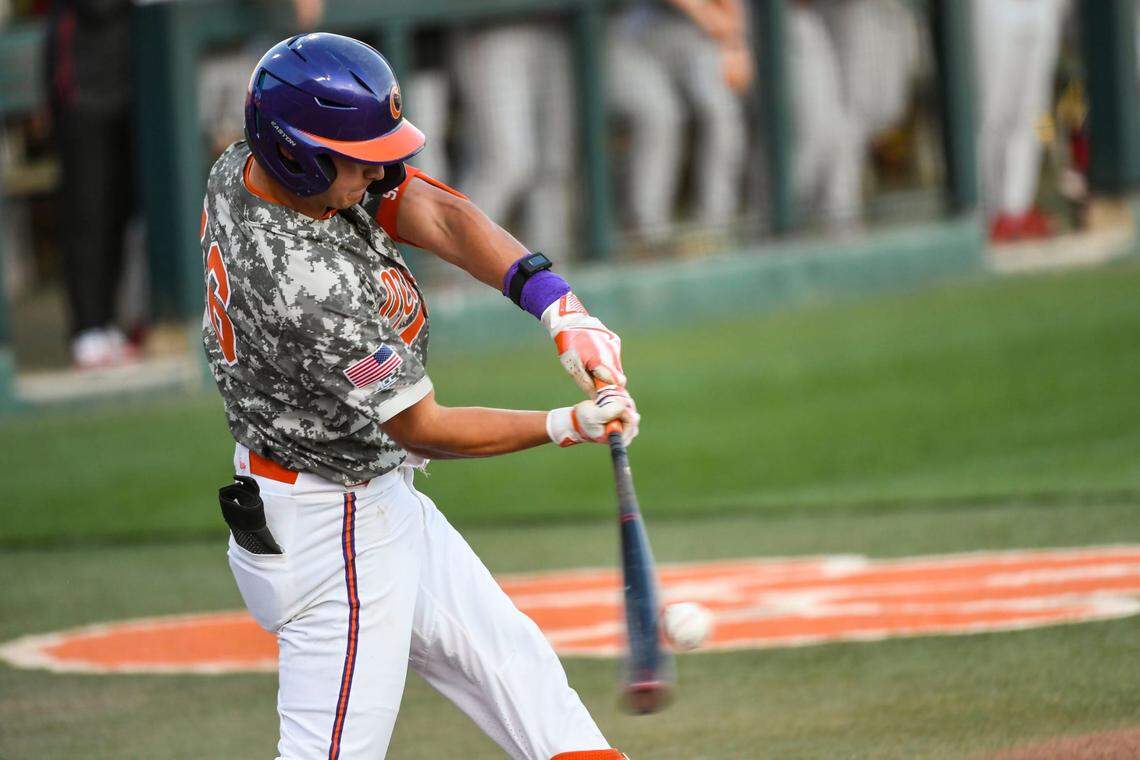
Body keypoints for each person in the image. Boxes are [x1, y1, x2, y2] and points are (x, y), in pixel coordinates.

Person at [201, 32, 637, 760]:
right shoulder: (305, 287)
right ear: (298, 154)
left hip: (367, 498)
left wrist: (561, 308)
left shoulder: (246, 164)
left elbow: (433, 211)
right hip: (327, 527)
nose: (380, 175)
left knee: (518, 672)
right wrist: (566, 423)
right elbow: (423, 426)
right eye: (359, 159)